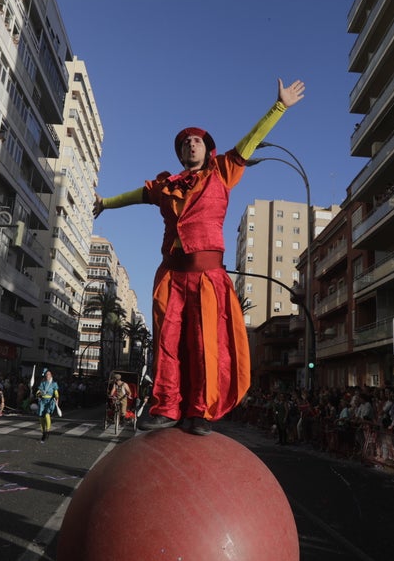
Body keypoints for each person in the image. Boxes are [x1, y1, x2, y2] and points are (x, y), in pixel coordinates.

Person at [93, 78, 306, 436]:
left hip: (207, 275)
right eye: (185, 142)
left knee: (204, 343)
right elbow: (135, 196)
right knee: (167, 342)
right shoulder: (165, 187)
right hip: (171, 276)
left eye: (198, 141)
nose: (191, 144)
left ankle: (199, 411)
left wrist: (279, 107)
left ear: (207, 149)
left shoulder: (223, 171)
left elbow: (249, 143)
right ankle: (166, 407)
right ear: (180, 154)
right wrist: (105, 203)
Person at [36, 368, 59, 442]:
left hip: (50, 401)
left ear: (51, 375)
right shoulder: (42, 383)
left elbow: (56, 393)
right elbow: (38, 392)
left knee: (47, 415)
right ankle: (43, 432)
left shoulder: (54, 384)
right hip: (42, 401)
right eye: (46, 374)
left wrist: (56, 397)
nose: (47, 376)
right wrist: (38, 395)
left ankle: (47, 431)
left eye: (48, 374)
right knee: (41, 418)